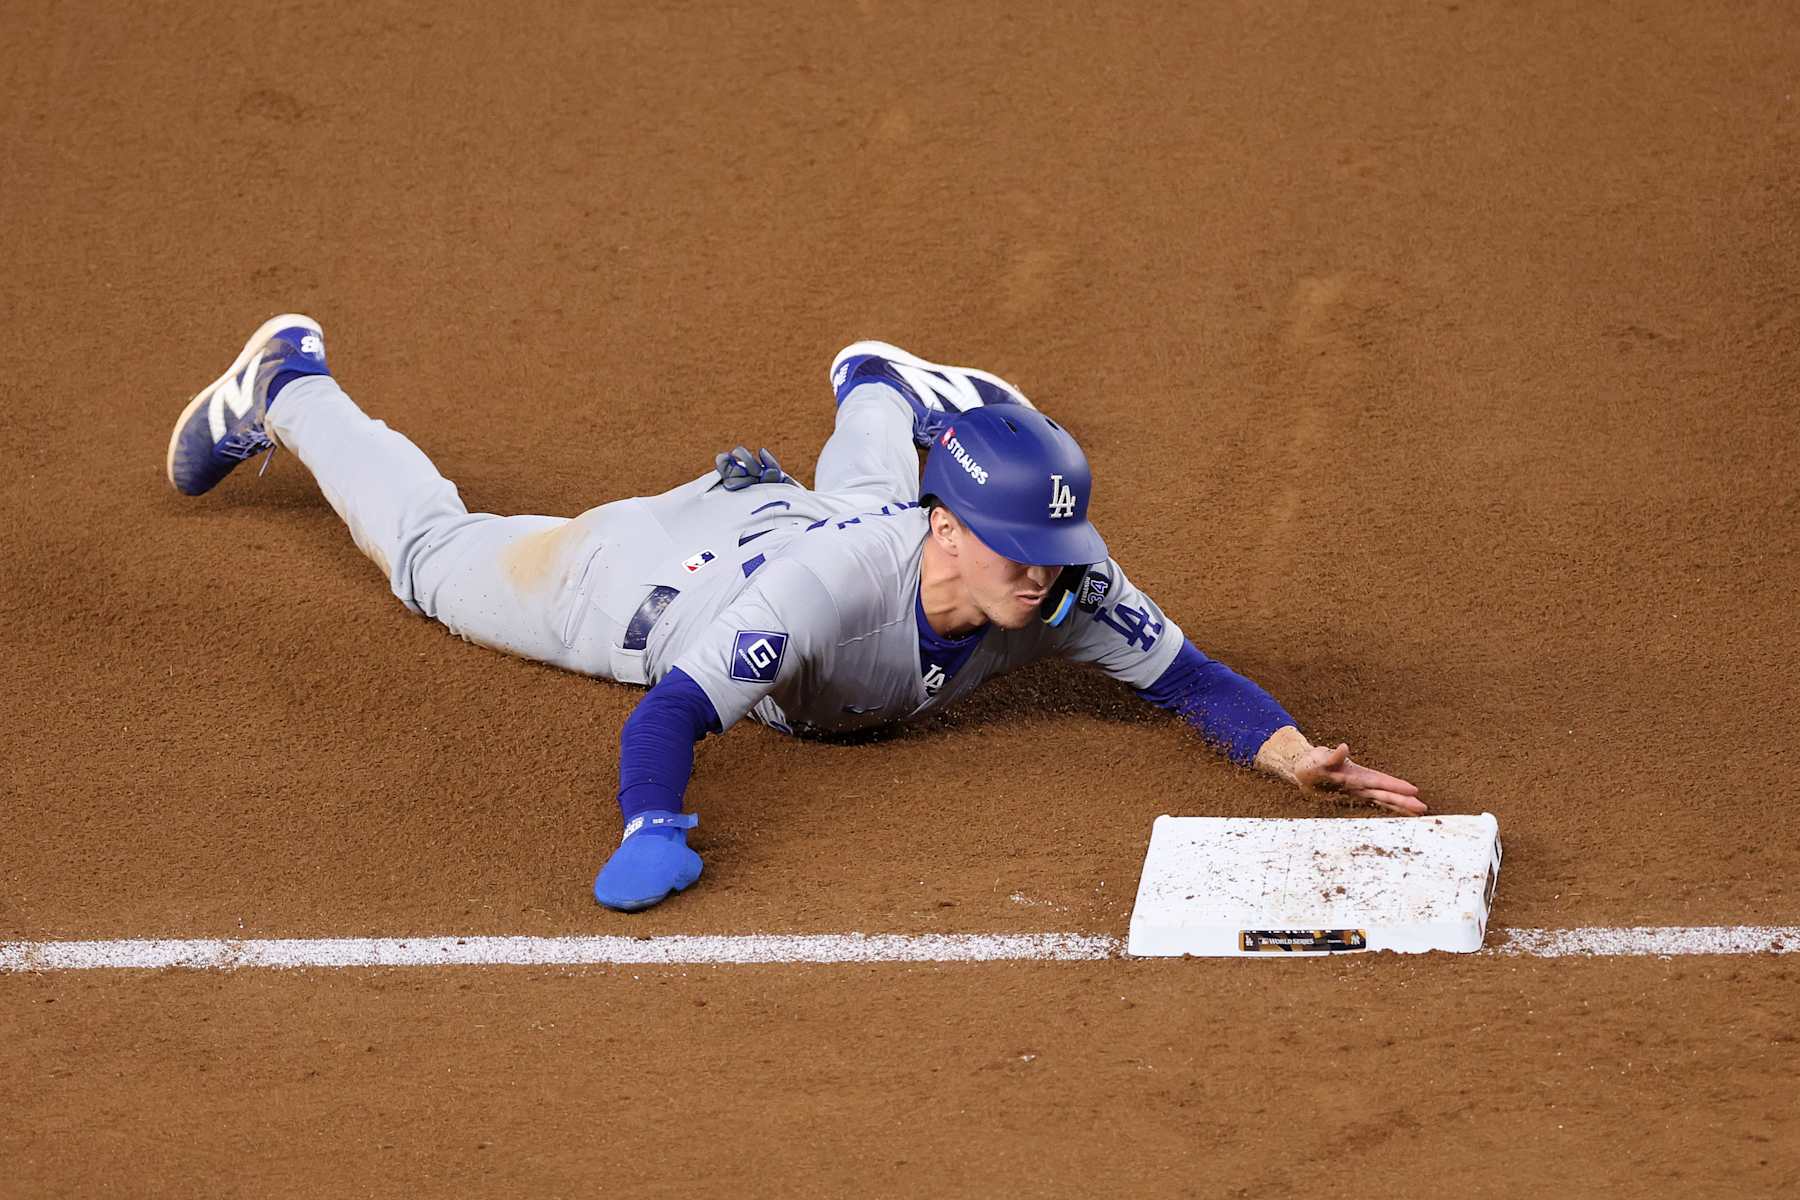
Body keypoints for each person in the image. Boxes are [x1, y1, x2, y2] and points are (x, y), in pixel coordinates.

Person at [165, 315, 1425, 912]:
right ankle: (287, 386)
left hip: (819, 524)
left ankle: (880, 382)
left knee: (852, 505)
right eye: (1017, 549)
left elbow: (1191, 678)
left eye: (1052, 549)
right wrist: (655, 818)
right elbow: (673, 706)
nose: (1042, 575)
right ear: (956, 526)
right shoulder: (830, 592)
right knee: (437, 562)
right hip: (667, 570)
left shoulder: (1057, 583)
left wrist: (1290, 751)